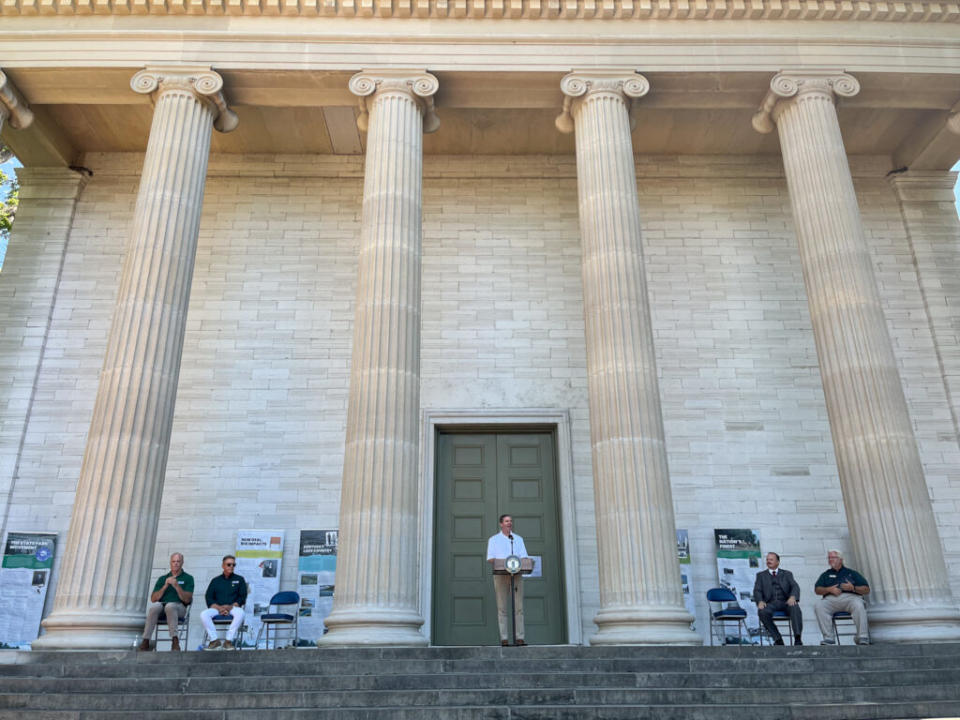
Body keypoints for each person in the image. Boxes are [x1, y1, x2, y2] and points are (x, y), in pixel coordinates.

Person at [486, 514, 529, 647]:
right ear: (501, 524)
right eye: (506, 521)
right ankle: (504, 638)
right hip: (500, 575)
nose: (509, 523)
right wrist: (504, 562)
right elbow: (491, 558)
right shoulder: (494, 540)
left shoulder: (518, 539)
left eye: (510, 521)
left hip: (516, 574)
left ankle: (519, 637)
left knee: (519, 607)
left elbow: (524, 557)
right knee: (502, 607)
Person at [814, 549, 870, 645]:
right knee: (819, 605)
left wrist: (853, 588)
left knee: (858, 605)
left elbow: (866, 589)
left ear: (840, 559)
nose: (830, 560)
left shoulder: (852, 573)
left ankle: (862, 637)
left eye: (833, 558)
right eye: (829, 558)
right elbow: (817, 590)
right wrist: (829, 590)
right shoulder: (825, 574)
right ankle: (828, 638)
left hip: (850, 598)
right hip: (831, 600)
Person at [139, 552, 193, 651]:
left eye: (178, 561)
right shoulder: (163, 578)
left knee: (170, 606)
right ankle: (146, 640)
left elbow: (187, 599)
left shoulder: (188, 578)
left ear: (182, 563)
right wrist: (165, 586)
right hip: (162, 606)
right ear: (170, 563)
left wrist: (176, 585)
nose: (176, 563)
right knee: (154, 607)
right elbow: (153, 599)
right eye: (173, 561)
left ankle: (175, 640)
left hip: (179, 607)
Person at [752, 552, 803, 645]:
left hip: (786, 602)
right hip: (770, 603)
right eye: (767, 559)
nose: (768, 561)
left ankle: (797, 638)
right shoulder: (761, 575)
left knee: (795, 607)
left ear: (777, 562)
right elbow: (757, 590)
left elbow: (795, 586)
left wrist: (793, 597)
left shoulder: (787, 574)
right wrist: (760, 601)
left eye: (771, 559)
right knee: (762, 612)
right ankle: (778, 639)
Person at [201, 555, 247, 650]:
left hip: (233, 608)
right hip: (217, 609)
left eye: (233, 565)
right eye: (229, 564)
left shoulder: (240, 579)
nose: (231, 567)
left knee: (241, 613)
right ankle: (214, 640)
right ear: (223, 566)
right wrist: (219, 608)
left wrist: (230, 607)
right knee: (204, 614)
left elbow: (242, 597)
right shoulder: (215, 581)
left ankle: (228, 641)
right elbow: (209, 597)